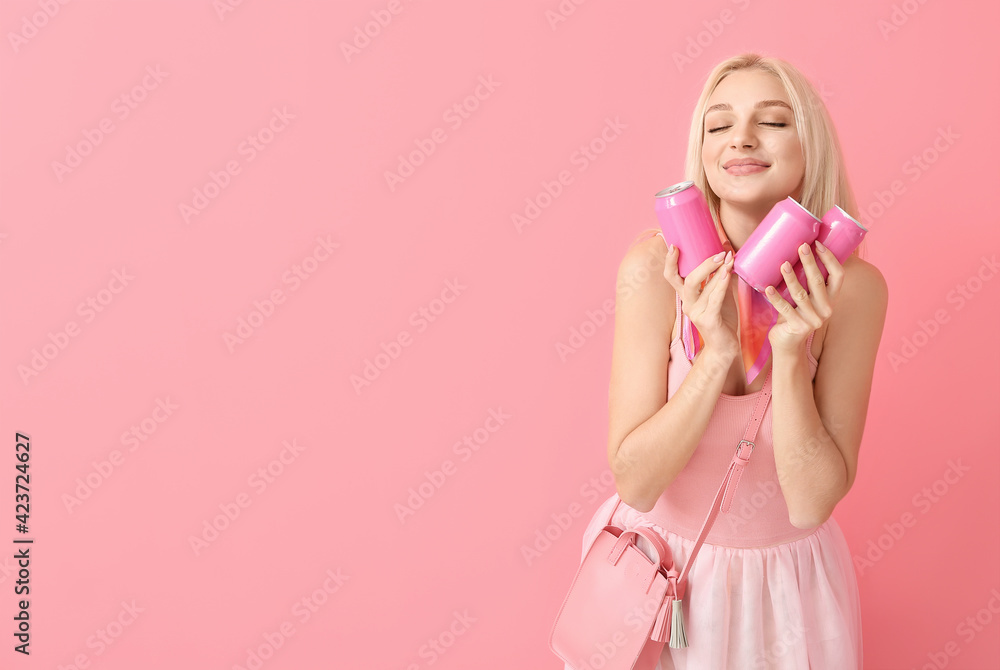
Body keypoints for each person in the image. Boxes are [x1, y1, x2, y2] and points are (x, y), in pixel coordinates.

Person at [573, 53, 888, 669]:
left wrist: (793, 353)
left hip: (788, 590)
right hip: (654, 574)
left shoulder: (853, 290)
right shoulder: (653, 270)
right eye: (718, 125)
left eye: (770, 121)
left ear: (809, 144)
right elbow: (636, 482)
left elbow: (811, 503)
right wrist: (715, 356)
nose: (740, 137)